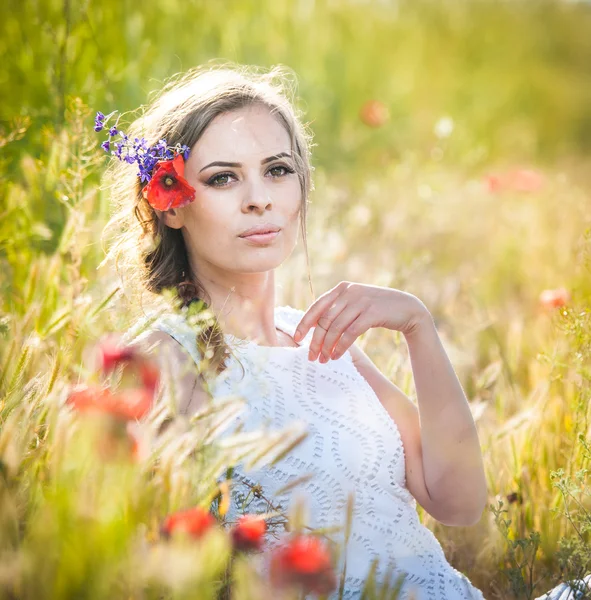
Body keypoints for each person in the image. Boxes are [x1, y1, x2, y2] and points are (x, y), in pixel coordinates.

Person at [109, 64, 591, 600]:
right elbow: (146, 563)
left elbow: (457, 501)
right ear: (169, 201)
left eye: (277, 170)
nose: (259, 198)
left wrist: (417, 325)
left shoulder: (318, 339)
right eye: (223, 177)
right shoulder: (165, 357)